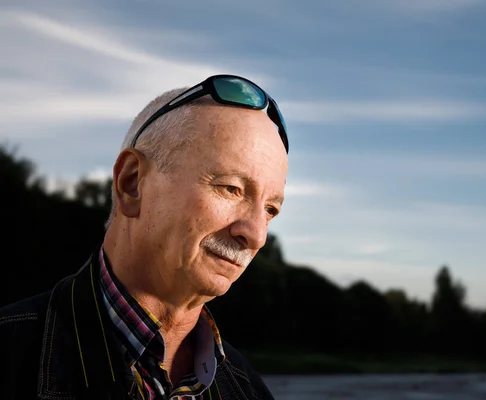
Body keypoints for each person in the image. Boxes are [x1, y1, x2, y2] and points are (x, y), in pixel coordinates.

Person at [0, 74, 289, 399]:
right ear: (132, 183)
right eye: (231, 188)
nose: (255, 235)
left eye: (270, 209)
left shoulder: (249, 389)